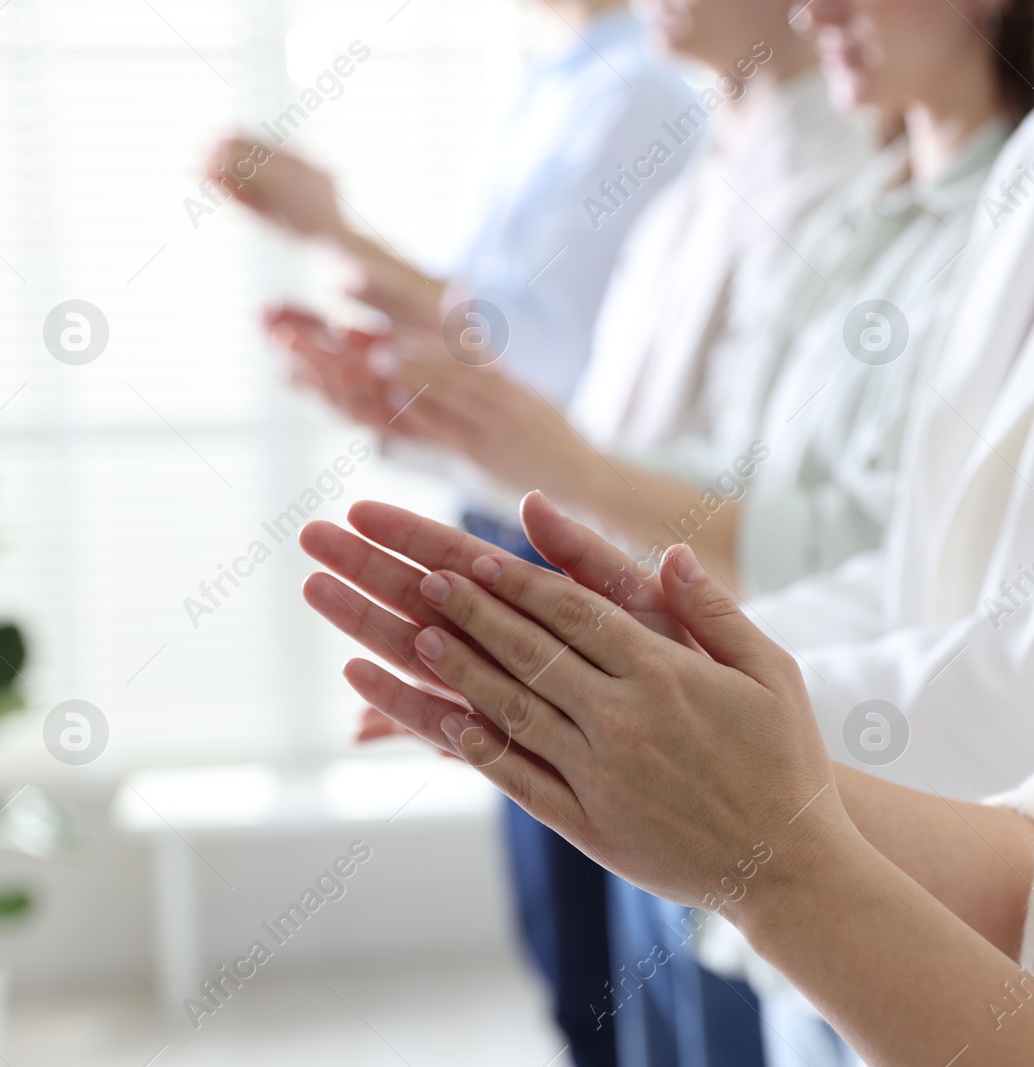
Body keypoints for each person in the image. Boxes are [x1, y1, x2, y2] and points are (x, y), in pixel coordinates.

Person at [298, 22, 1034, 1044]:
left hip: (923, 855)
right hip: (935, 858)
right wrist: (690, 743)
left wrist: (773, 832)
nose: (818, 17)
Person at [216, 8, 695, 1067]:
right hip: (509, 509)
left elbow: (538, 357)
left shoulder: (644, 94)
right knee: (559, 938)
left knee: (604, 962)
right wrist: (383, 373)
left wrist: (333, 231)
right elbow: (484, 341)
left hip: (566, 527)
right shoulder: (547, 83)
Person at [347, 0, 1034, 597]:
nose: (815, 10)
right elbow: (721, 465)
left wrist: (574, 475)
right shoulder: (849, 210)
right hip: (680, 605)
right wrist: (483, 438)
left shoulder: (972, 215)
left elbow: (859, 554)